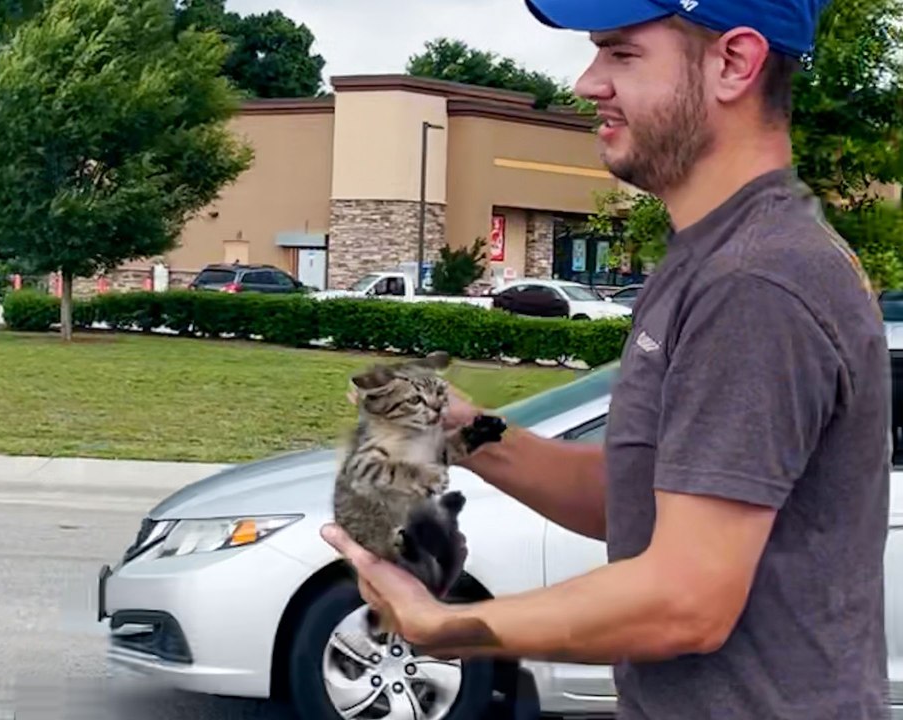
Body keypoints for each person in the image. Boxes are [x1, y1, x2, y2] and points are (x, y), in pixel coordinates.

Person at [321, 0, 892, 717]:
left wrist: (447, 626)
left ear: (736, 63)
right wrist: (462, 431)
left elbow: (687, 603)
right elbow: (641, 499)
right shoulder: (713, 257)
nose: (588, 83)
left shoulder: (755, 281)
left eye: (622, 55)